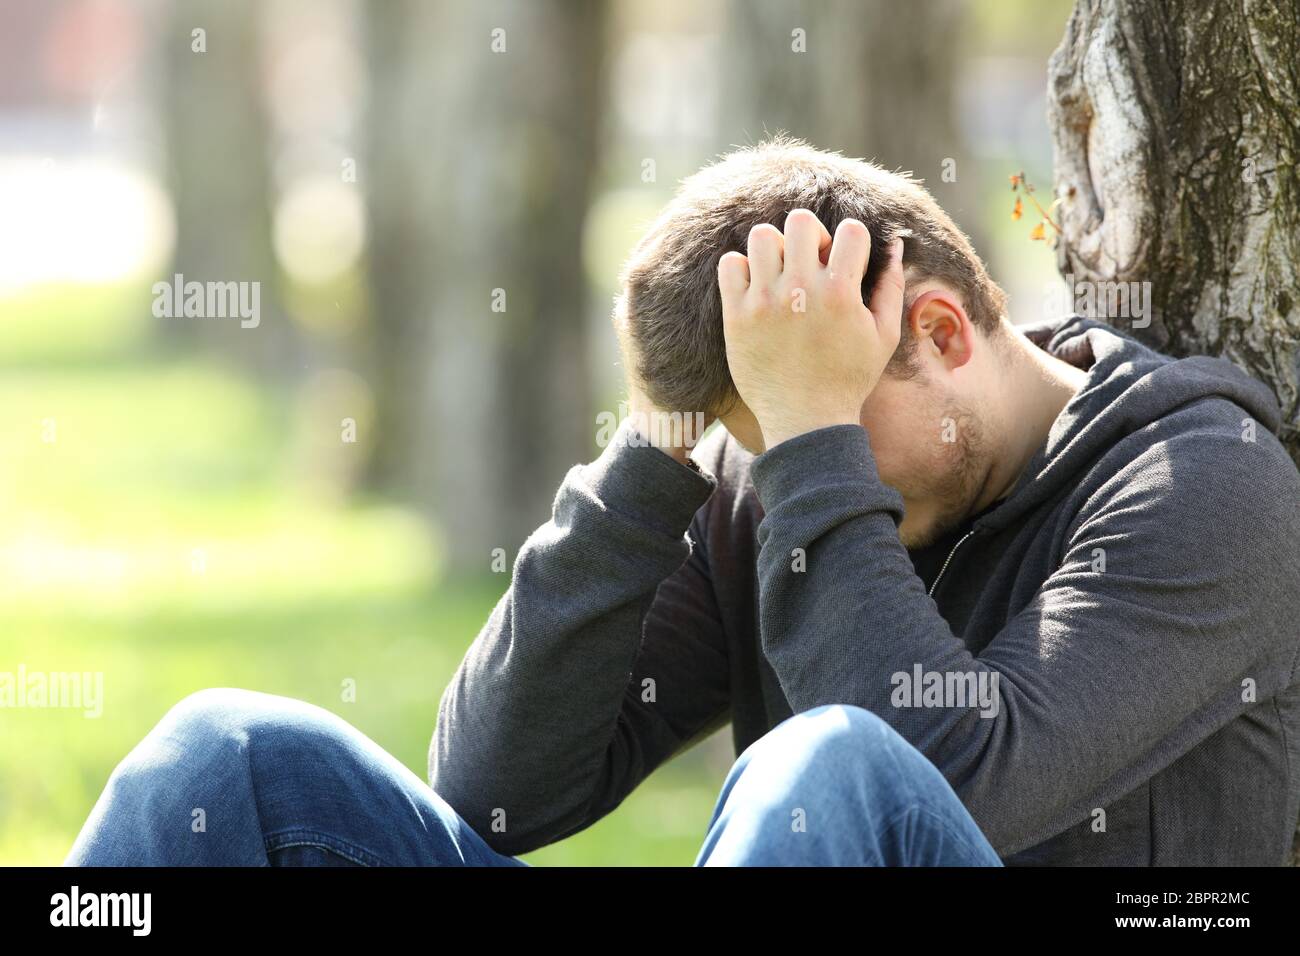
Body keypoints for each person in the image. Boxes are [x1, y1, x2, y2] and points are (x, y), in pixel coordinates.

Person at [68, 138, 1300, 866]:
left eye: (813, 417)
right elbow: (497, 789)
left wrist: (813, 434)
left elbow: (956, 785)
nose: (784, 479)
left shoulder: (1204, 486)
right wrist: (660, 445)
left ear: (935, 329)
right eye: (749, 437)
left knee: (823, 764)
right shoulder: (784, 466)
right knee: (227, 756)